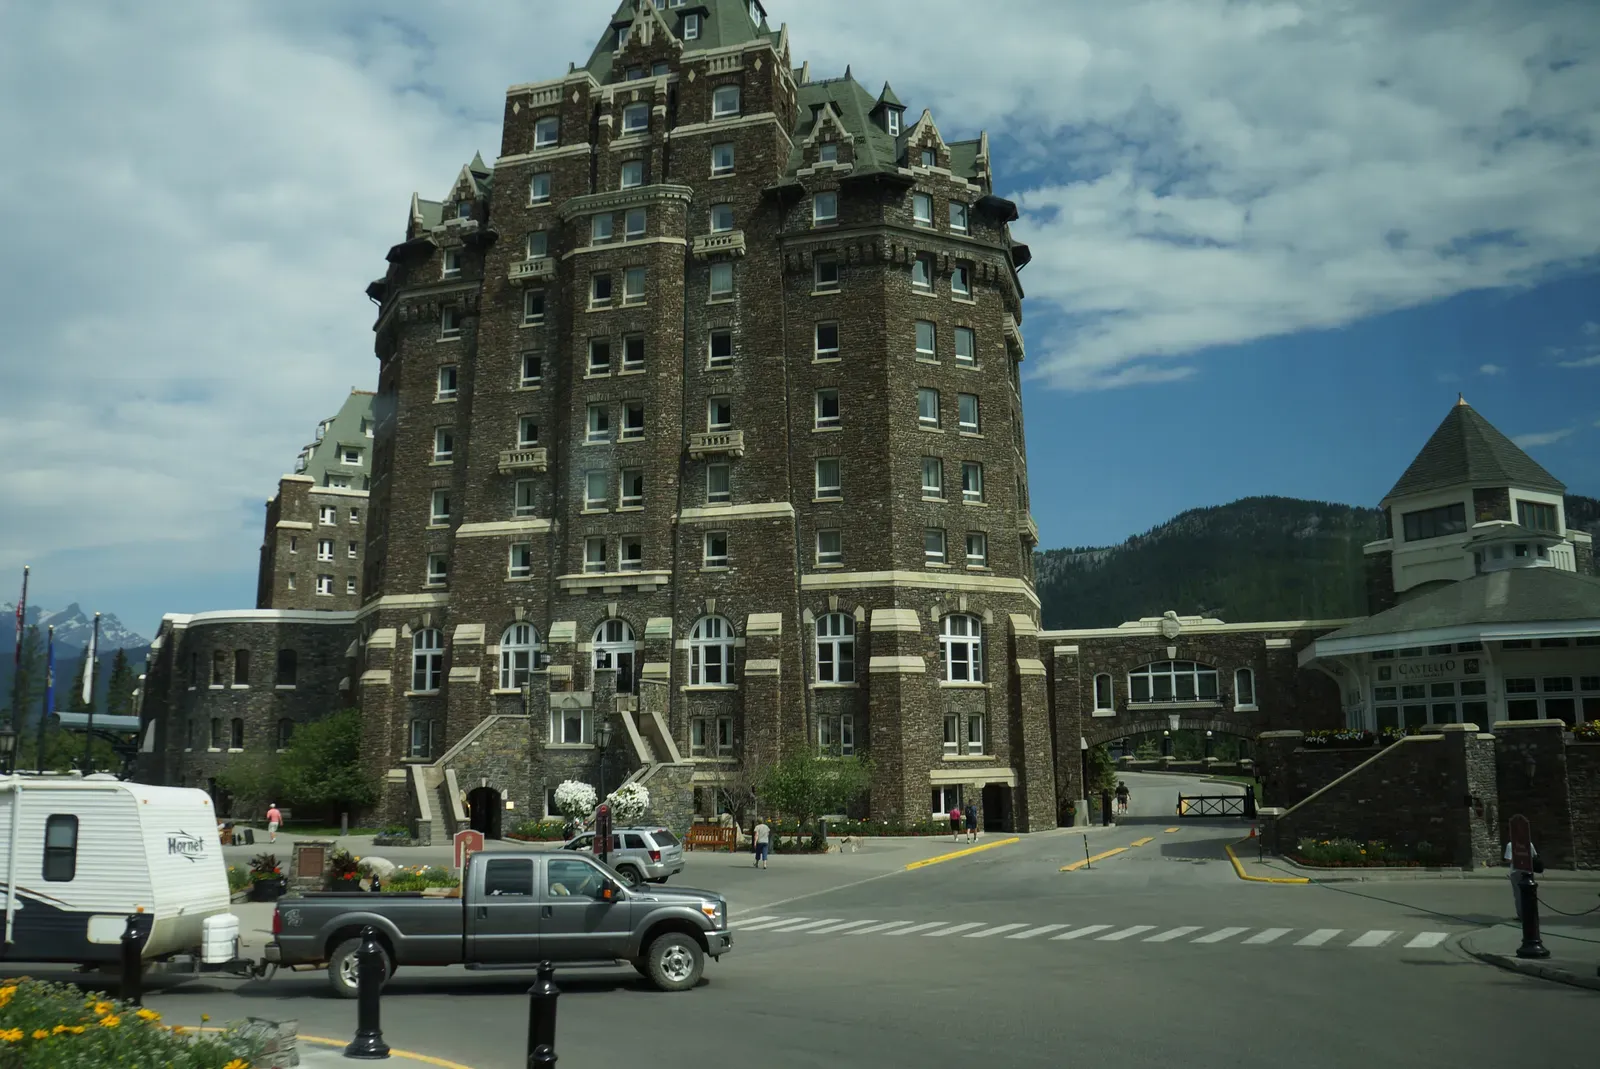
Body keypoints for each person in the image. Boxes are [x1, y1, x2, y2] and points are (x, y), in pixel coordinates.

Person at [1504, 838, 1542, 920]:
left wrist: (1518, 858)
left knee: (1518, 895)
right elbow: (1534, 856)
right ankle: (1531, 914)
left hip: (1516, 871)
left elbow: (1508, 860)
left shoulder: (1510, 845)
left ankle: (1521, 915)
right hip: (1528, 871)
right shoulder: (1529, 844)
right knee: (1529, 894)